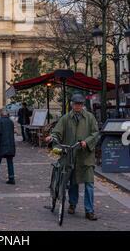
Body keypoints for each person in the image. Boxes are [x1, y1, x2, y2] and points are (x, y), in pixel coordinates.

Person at [46, 93, 100, 221]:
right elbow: (57, 132)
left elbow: (96, 133)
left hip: (86, 156)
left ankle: (89, 210)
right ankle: (72, 204)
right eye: (76, 104)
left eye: (80, 104)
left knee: (89, 184)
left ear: (82, 105)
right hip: (70, 156)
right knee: (73, 182)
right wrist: (52, 137)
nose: (78, 106)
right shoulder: (65, 118)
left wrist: (87, 141)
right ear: (72, 104)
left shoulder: (90, 118)